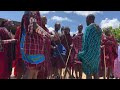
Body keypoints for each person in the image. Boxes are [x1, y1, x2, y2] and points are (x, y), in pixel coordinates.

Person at [20, 11, 45, 79]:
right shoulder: (31, 13)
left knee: (35, 72)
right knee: (31, 71)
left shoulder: (36, 13)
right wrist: (48, 35)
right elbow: (34, 26)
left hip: (36, 47)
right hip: (31, 46)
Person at [78, 14, 102, 79]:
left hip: (89, 54)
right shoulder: (99, 29)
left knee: (88, 73)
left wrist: (81, 54)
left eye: (86, 20)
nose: (86, 22)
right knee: (95, 72)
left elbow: (85, 42)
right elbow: (100, 42)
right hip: (97, 54)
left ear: (89, 19)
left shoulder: (88, 28)